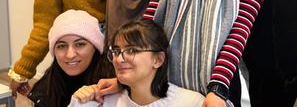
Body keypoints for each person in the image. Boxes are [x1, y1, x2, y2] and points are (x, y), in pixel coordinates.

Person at [70, 20, 205, 107]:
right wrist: (78, 102)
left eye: (132, 50)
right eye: (116, 51)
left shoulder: (192, 103)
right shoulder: (101, 101)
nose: (119, 59)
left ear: (157, 60)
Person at [27, 10, 114, 107]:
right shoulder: (44, 91)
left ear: (95, 47)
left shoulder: (115, 84)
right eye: (62, 46)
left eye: (80, 44)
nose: (70, 55)